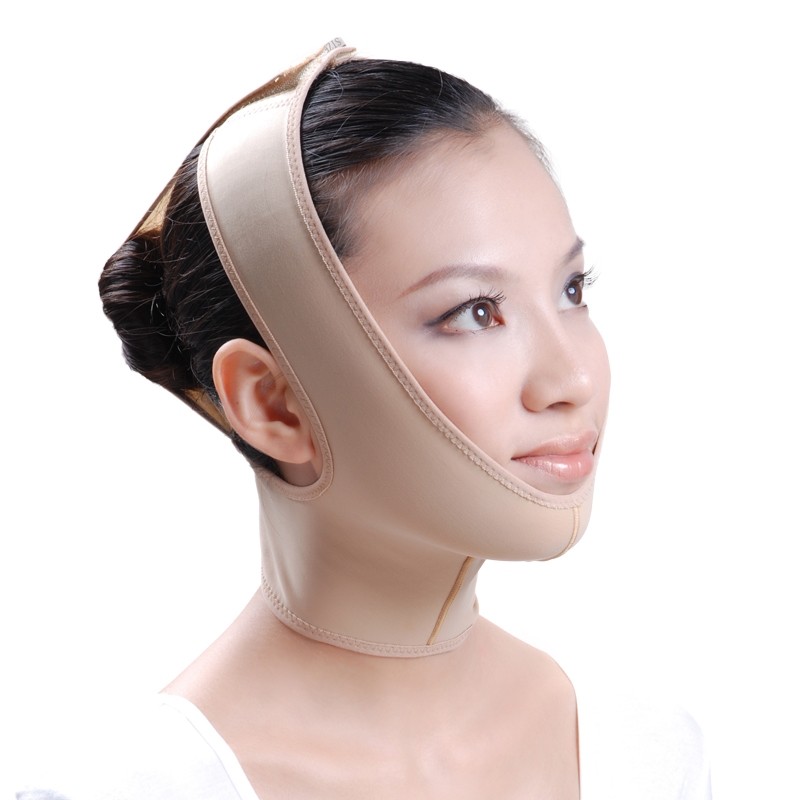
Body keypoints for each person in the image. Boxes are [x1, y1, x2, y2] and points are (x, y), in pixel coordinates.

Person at [18, 39, 710, 799]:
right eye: (475, 312)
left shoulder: (649, 756)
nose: (571, 379)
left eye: (572, 290)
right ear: (273, 402)